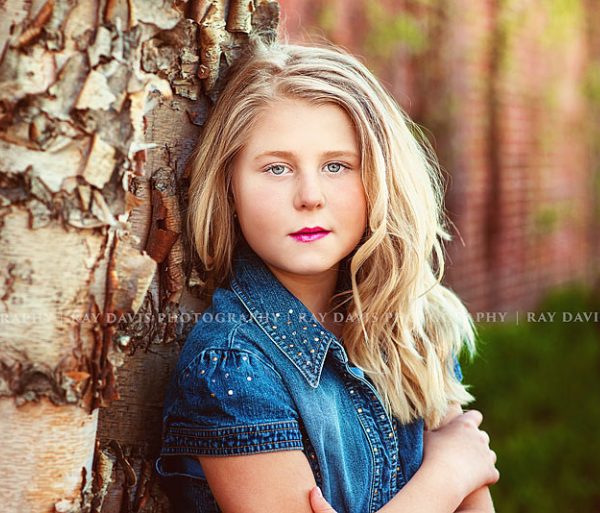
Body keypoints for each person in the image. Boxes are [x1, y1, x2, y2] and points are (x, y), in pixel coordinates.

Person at [153, 35, 499, 513]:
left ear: (378, 181)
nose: (310, 196)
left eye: (337, 166)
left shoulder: (412, 327)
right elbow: (463, 476)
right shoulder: (232, 367)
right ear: (229, 187)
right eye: (276, 169)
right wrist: (447, 475)